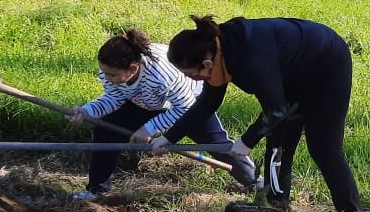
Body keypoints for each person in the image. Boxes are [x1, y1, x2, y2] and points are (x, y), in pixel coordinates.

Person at [159, 15, 361, 212]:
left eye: (190, 74)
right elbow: (207, 104)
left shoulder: (250, 60)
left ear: (206, 64)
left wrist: (247, 141)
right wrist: (169, 138)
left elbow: (277, 110)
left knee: (324, 150)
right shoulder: (217, 51)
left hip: (327, 63)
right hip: (290, 73)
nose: (191, 79)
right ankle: (277, 209)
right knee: (278, 144)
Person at [67, 28, 249, 200]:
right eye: (104, 72)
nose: (106, 78)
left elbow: (184, 107)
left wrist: (149, 129)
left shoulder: (162, 73)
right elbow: (113, 99)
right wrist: (87, 111)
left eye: (112, 75)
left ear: (133, 68)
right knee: (105, 132)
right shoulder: (110, 71)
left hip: (187, 103)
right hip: (142, 101)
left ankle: (255, 181)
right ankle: (96, 189)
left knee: (217, 144)